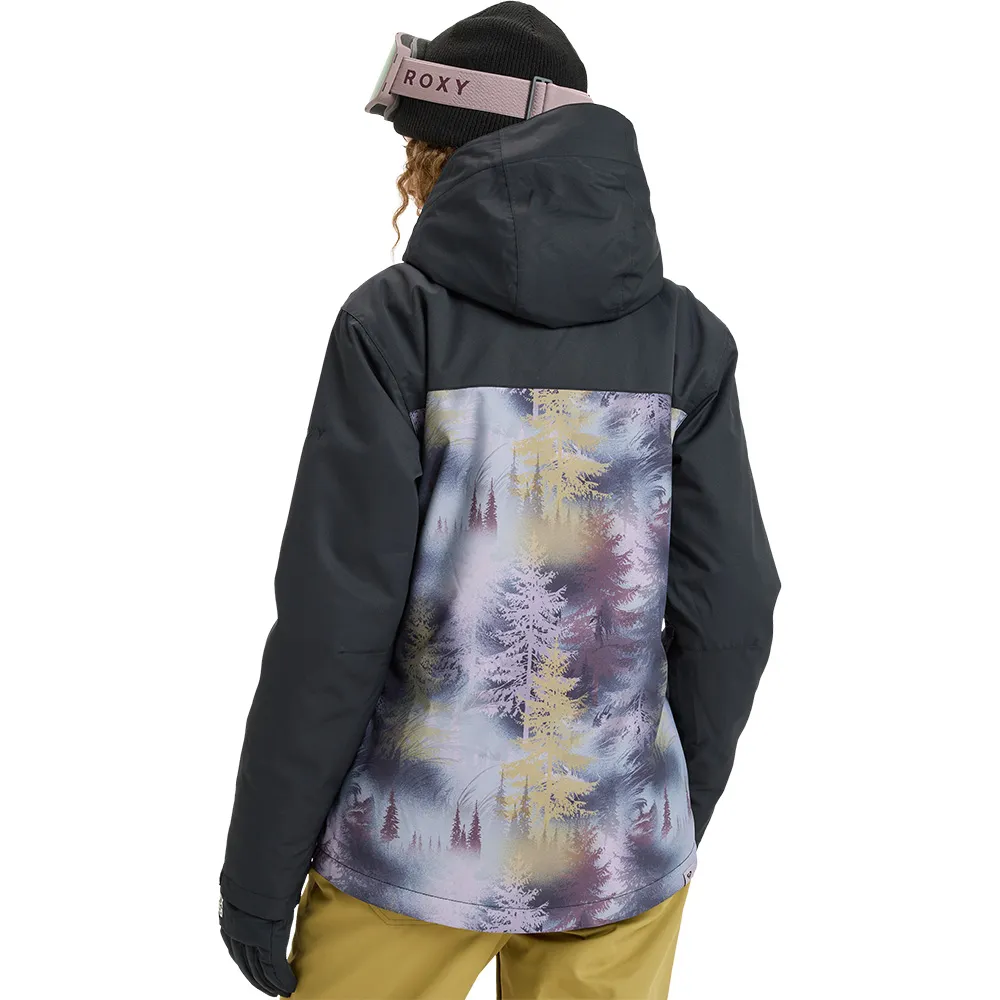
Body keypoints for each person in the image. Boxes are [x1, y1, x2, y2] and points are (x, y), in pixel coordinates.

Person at [219, 4, 780, 997]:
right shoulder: (686, 339)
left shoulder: (395, 324)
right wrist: (656, 808)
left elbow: (334, 626)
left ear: (442, 155)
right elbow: (732, 604)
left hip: (411, 853)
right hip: (618, 857)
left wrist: (258, 876)